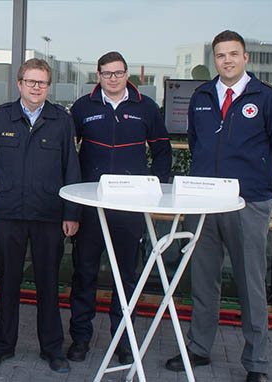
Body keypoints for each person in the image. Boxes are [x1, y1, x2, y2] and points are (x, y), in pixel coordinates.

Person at [164, 30, 272, 382]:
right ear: (215, 59)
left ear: (245, 58)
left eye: (234, 54)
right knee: (204, 278)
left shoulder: (268, 100)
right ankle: (199, 348)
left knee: (250, 283)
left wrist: (261, 186)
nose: (227, 60)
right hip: (205, 203)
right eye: (221, 55)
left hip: (247, 204)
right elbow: (196, 144)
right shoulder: (202, 96)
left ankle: (256, 363)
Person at [0, 58, 81, 373]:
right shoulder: (0, 118)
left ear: (49, 87)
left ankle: (52, 350)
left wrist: (71, 213)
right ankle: (2, 346)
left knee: (48, 285)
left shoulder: (61, 120)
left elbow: (71, 169)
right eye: (31, 82)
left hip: (48, 216)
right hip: (7, 214)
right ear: (19, 83)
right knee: (7, 283)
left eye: (42, 83)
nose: (36, 88)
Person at [66, 51, 172, 364]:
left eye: (118, 72)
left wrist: (154, 189)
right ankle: (80, 339)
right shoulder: (83, 107)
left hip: (130, 209)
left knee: (126, 278)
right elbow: (69, 153)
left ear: (127, 74)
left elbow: (162, 151)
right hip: (90, 207)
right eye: (107, 73)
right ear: (98, 75)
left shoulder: (146, 107)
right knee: (84, 274)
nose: (113, 78)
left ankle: (122, 340)